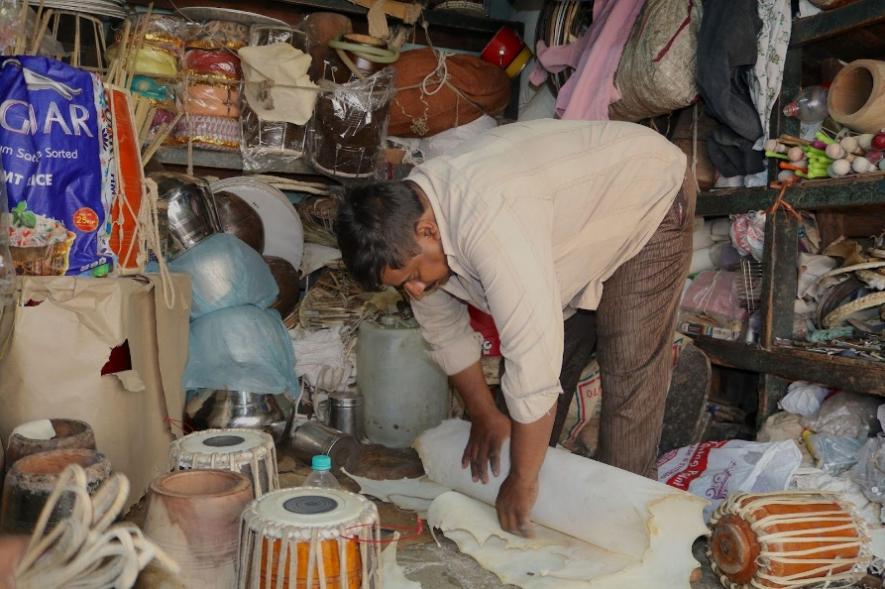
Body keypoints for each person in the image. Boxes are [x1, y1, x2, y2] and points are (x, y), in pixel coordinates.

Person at [336, 119, 695, 536]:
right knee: (523, 403)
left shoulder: (491, 223)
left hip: (645, 193)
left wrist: (522, 481)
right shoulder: (411, 226)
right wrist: (485, 415)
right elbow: (445, 333)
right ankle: (545, 495)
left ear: (428, 231)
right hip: (567, 226)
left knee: (627, 366)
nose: (415, 290)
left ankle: (629, 532)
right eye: (403, 286)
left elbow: (532, 362)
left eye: (414, 276)